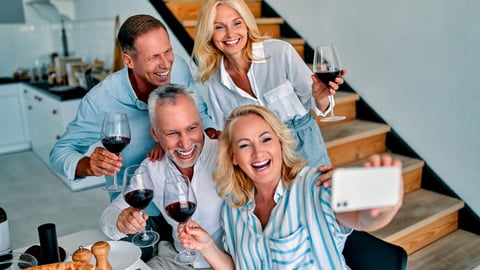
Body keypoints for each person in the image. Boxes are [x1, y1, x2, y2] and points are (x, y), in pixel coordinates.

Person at [178, 105, 404, 269]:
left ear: (280, 142)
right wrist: (207, 246)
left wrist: (384, 207)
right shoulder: (233, 208)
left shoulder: (314, 185)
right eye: (245, 145)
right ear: (234, 157)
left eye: (266, 139)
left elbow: (363, 218)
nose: (258, 153)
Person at [49, 14, 216, 202]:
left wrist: (210, 134)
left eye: (167, 51)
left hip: (187, 193)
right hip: (139, 204)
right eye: (153, 57)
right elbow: (60, 152)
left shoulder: (179, 68)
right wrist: (88, 165)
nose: (166, 63)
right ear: (129, 60)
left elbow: (200, 114)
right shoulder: (100, 100)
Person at [192, 0, 346, 167]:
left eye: (237, 23)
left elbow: (318, 104)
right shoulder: (215, 81)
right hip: (258, 156)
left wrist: (320, 97)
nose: (230, 34)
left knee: (317, 192)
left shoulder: (280, 52)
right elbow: (228, 132)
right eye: (219, 27)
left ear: (247, 25)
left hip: (302, 144)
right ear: (208, 33)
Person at [100, 84, 224, 269]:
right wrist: (121, 222)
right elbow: (109, 215)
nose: (185, 143)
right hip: (176, 260)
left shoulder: (226, 156)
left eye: (191, 128)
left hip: (225, 262)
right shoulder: (152, 168)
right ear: (155, 134)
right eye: (172, 133)